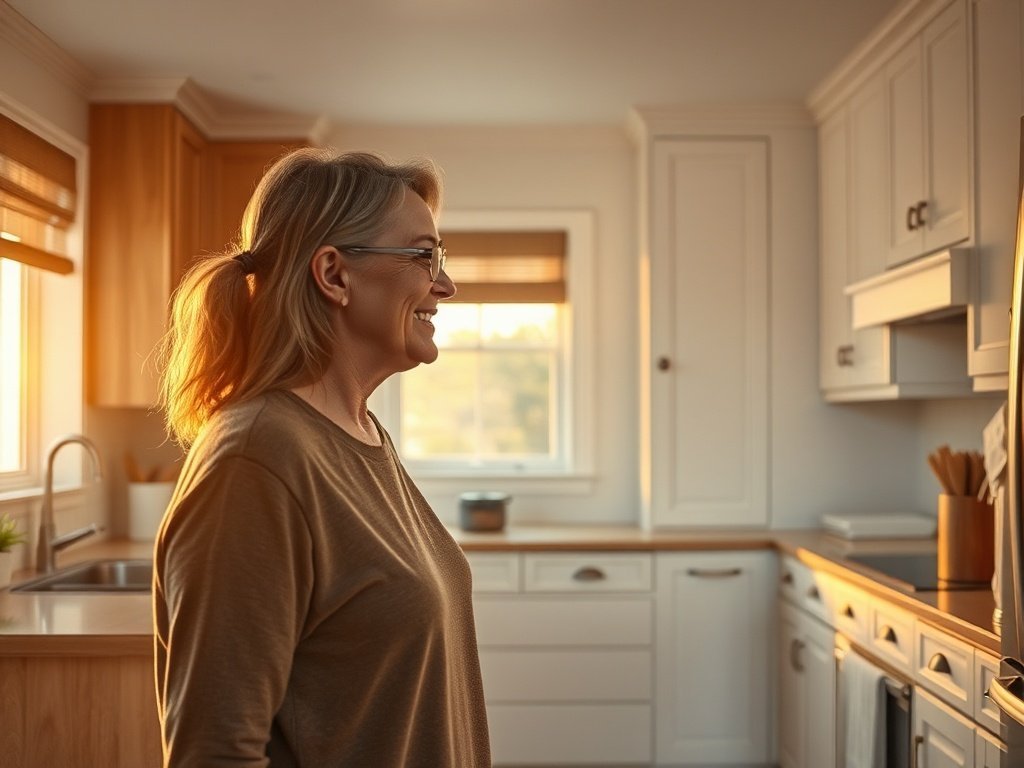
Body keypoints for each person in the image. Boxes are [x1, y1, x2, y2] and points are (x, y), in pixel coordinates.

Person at [153, 148, 491, 767]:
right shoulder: (255, 461)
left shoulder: (361, 432)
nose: (445, 285)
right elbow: (214, 752)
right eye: (424, 256)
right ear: (334, 275)